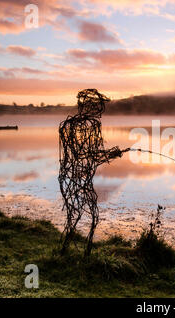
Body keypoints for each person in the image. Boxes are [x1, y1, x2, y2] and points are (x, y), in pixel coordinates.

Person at [58, 88, 124, 257]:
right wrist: (109, 155)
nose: (100, 109)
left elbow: (94, 154)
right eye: (98, 105)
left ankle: (85, 255)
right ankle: (65, 251)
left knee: (92, 216)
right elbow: (81, 155)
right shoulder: (70, 126)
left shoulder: (95, 125)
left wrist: (110, 154)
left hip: (85, 178)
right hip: (72, 178)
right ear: (86, 104)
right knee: (74, 214)